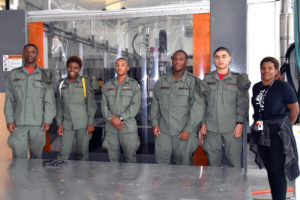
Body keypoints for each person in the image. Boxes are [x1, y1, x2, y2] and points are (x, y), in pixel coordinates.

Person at [250, 57, 299, 200]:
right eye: (263, 68)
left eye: (270, 68)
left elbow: (294, 111)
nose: (266, 71)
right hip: (261, 132)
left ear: (276, 70)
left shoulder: (283, 87)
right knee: (270, 169)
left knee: (277, 170)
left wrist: (283, 127)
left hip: (277, 135)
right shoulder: (256, 87)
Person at [150, 50, 207, 165]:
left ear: (186, 62)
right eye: (175, 59)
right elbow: (155, 103)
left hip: (183, 131)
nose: (177, 62)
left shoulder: (193, 82)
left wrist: (188, 129)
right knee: (161, 162)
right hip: (163, 130)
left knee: (183, 164)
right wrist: (155, 123)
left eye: (181, 59)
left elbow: (197, 108)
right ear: (172, 61)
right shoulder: (162, 81)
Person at [200, 47, 251, 168]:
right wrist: (202, 123)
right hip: (211, 128)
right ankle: (214, 187)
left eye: (224, 56)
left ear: (229, 59)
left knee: (235, 163)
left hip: (232, 128)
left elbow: (243, 103)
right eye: (217, 57)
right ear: (214, 59)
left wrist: (240, 123)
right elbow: (202, 103)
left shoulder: (238, 79)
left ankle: (236, 186)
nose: (220, 60)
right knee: (213, 163)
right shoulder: (207, 79)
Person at [4, 43, 56, 159]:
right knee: (18, 155)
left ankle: (35, 177)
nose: (30, 54)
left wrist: (48, 120)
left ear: (37, 55)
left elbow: (49, 100)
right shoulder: (14, 74)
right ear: (23, 54)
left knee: (36, 157)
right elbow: (9, 100)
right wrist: (10, 120)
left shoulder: (44, 74)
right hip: (19, 123)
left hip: (38, 124)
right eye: (27, 51)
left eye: (33, 52)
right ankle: (19, 177)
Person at [56, 56, 98, 161]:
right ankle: (62, 175)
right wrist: (59, 124)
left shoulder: (85, 83)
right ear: (66, 68)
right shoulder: (61, 84)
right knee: (63, 153)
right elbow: (59, 106)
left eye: (75, 68)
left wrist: (90, 123)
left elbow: (91, 105)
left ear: (79, 69)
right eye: (70, 67)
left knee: (83, 153)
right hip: (67, 124)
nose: (72, 70)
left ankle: (82, 175)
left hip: (83, 124)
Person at [101, 57, 141, 162]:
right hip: (111, 127)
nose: (120, 67)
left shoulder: (133, 85)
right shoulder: (108, 85)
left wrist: (121, 118)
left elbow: (135, 106)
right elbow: (104, 106)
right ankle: (113, 178)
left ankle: (130, 178)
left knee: (130, 159)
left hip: (127, 127)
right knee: (112, 159)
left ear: (127, 68)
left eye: (123, 65)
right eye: (117, 65)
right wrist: (112, 119)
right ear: (115, 68)